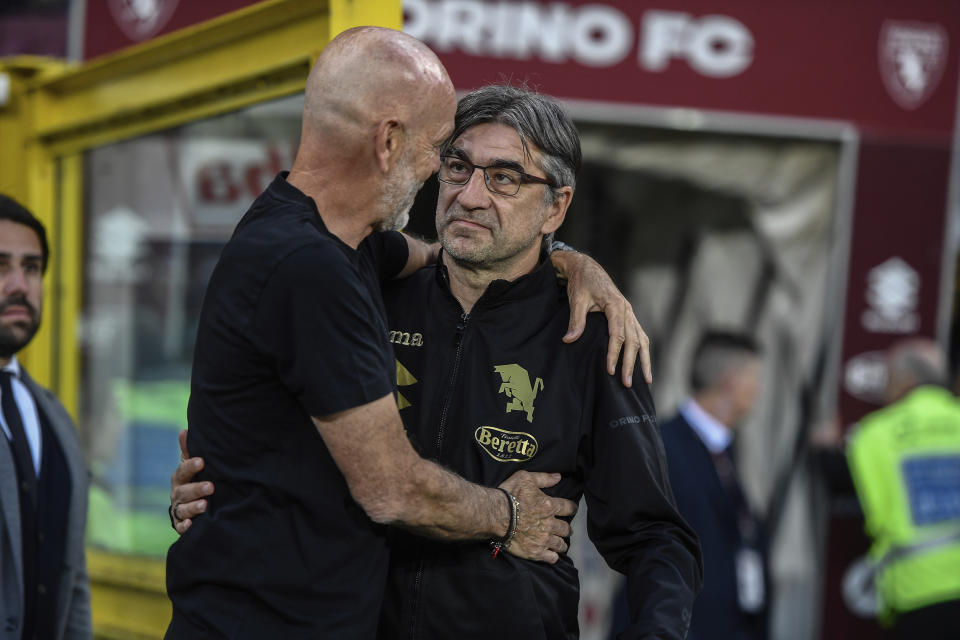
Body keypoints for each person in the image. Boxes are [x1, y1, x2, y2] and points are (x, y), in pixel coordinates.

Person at [164, 28, 649, 639]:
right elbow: (391, 490)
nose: (446, 183)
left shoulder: (317, 238)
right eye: (443, 155)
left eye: (502, 179)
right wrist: (510, 513)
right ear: (389, 141)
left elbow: (424, 252)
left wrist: (565, 257)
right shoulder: (313, 270)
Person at [0, 194, 92, 640]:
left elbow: (73, 586)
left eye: (31, 268)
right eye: (0, 266)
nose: (19, 284)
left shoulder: (53, 415)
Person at [647, 330, 768, 640]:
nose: (758, 389)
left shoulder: (726, 449)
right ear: (730, 381)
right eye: (754, 377)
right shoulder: (661, 447)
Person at [846, 338, 960, 639]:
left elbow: (871, 507)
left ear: (905, 379)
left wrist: (822, 451)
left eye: (888, 380)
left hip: (917, 590)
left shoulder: (874, 433)